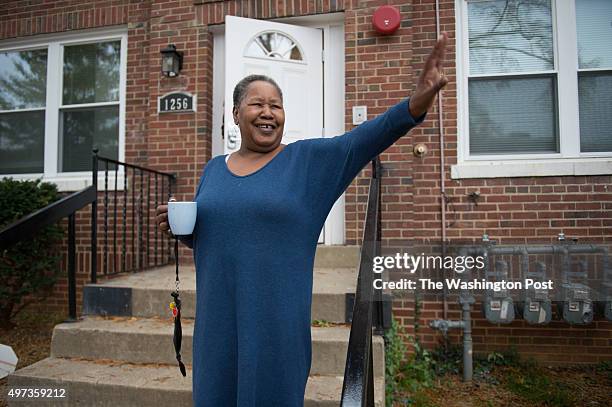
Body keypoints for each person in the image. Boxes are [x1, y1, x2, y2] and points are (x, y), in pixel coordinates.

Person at [156, 32, 448, 407]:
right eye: (256, 104)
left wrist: (415, 103)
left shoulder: (308, 163)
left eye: (275, 105)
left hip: (275, 327)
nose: (267, 112)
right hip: (218, 325)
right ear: (235, 114)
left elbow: (364, 140)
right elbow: (224, 234)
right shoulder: (213, 169)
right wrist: (182, 231)